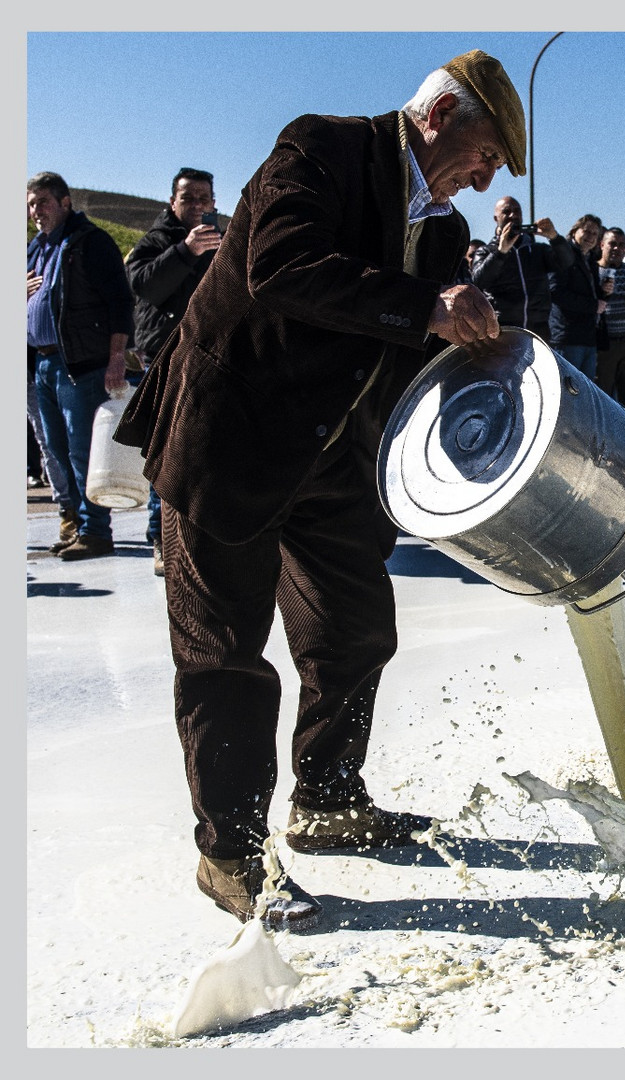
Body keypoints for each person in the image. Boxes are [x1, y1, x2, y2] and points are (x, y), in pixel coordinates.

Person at [113, 49, 523, 930]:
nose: (489, 178)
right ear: (443, 114)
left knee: (354, 627)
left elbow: (412, 334)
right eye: (489, 152)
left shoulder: (445, 230)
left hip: (334, 453)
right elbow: (282, 266)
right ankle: (230, 856)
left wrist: (480, 349)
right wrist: (426, 308)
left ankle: (329, 801)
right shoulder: (321, 150)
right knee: (225, 651)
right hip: (231, 435)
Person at [26, 171, 133, 561]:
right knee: (55, 449)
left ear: (65, 202)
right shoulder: (34, 249)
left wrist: (117, 355)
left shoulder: (90, 243)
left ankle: (96, 532)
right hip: (42, 365)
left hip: (82, 366)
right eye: (31, 204)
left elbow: (121, 302)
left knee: (81, 451)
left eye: (42, 202)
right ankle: (77, 525)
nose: (35, 211)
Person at [124, 167, 223, 575]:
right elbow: (143, 284)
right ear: (172, 202)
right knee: (164, 453)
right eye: (189, 198)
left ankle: (206, 540)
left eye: (204, 198)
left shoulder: (223, 243)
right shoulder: (156, 242)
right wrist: (185, 251)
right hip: (162, 362)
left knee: (208, 453)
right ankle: (162, 541)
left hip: (212, 359)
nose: (197, 206)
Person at [468, 194, 573, 343]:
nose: (513, 215)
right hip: (503, 332)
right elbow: (479, 281)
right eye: (506, 211)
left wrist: (554, 238)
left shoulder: (537, 250)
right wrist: (501, 252)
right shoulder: (485, 251)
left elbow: (567, 261)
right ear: (496, 218)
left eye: (517, 211)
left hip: (538, 332)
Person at [548, 213, 605, 381]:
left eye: (595, 234)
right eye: (587, 232)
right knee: (568, 391)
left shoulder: (590, 259)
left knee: (584, 392)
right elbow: (556, 293)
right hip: (568, 337)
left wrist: (603, 294)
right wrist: (593, 306)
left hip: (587, 336)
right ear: (574, 231)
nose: (590, 237)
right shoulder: (562, 253)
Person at [595, 227, 625, 414]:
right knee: (603, 396)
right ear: (602, 245)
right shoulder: (593, 270)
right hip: (606, 344)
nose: (616, 248)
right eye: (612, 243)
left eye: (621, 244)